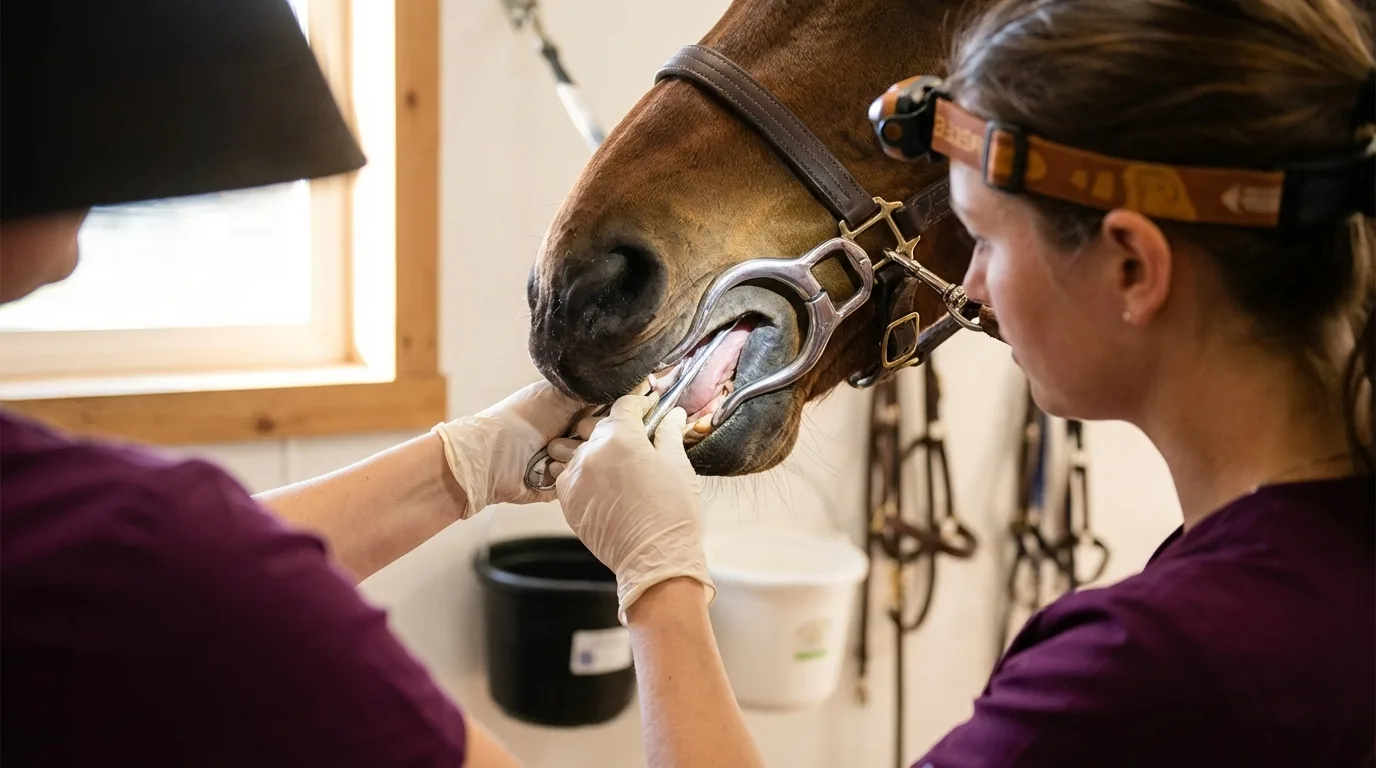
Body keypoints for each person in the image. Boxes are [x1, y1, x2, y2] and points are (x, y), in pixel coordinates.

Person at [548, 0, 1376, 765]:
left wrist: (657, 580)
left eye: (984, 236)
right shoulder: (1315, 566)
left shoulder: (1149, 671)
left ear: (1132, 267)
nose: (969, 289)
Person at [0, 2, 585, 766]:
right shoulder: (139, 547)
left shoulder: (80, 543)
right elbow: (179, 575)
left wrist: (467, 462)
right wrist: (662, 579)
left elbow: (180, 585)